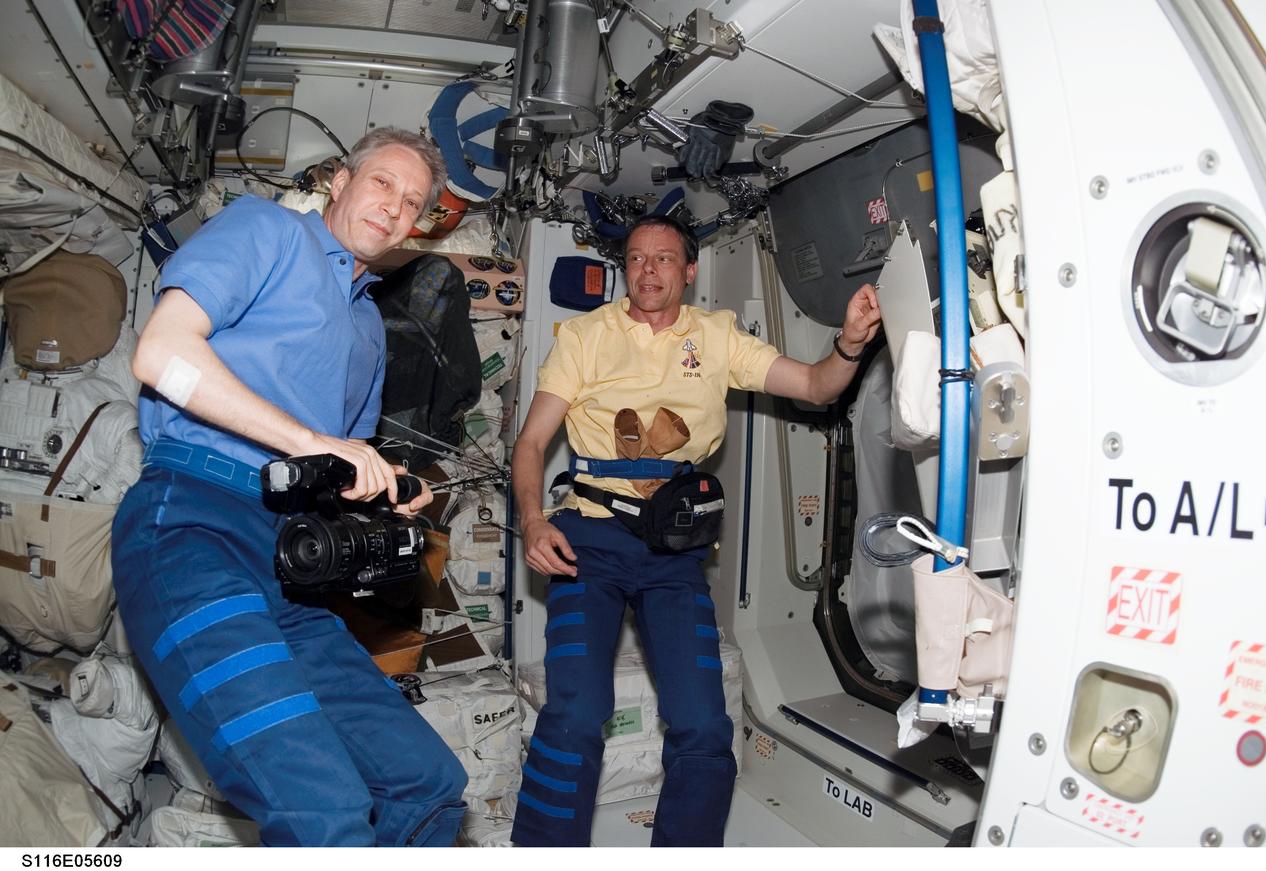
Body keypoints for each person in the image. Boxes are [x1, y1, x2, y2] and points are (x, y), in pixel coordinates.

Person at [111, 128, 468, 846]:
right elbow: (161, 353)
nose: (395, 207)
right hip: (191, 528)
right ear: (340, 180)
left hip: (286, 568)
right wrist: (313, 441)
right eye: (381, 184)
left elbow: (340, 466)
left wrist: (389, 489)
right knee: (322, 812)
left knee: (430, 785)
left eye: (413, 203)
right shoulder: (265, 230)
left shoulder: (369, 326)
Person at [510, 214, 882, 846]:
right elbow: (531, 442)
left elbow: (818, 387)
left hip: (672, 552)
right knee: (575, 714)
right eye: (635, 259)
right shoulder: (583, 336)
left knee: (706, 727)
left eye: (663, 259)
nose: (647, 270)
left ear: (689, 270)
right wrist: (534, 519)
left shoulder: (718, 336)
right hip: (588, 542)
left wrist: (849, 341)